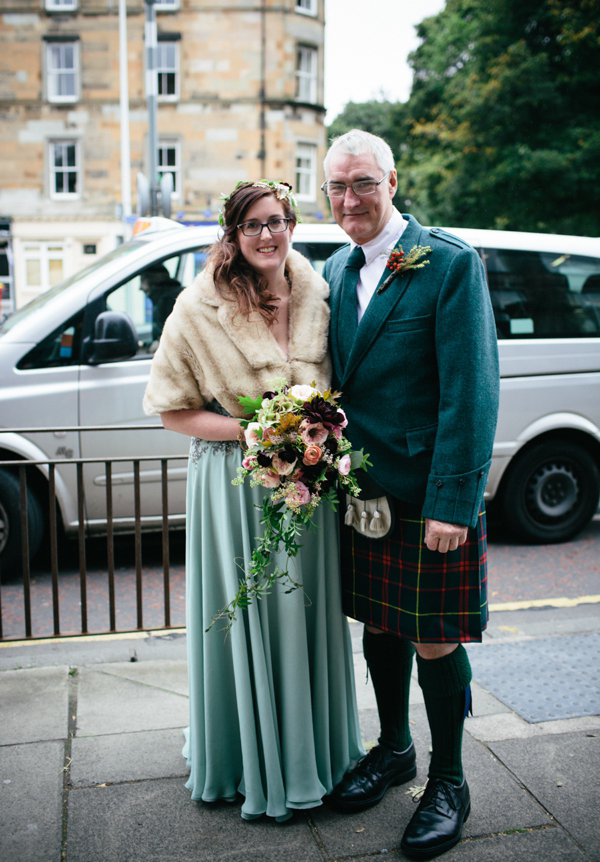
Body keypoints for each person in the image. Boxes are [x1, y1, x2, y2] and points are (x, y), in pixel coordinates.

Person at [143, 179, 364, 822]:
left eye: (278, 221)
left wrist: (315, 432)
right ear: (232, 237)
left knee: (304, 617)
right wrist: (258, 432)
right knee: (251, 615)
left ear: (291, 224)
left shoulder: (320, 293)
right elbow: (172, 412)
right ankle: (247, 758)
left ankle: (312, 756)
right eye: (253, 226)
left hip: (307, 486)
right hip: (234, 483)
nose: (268, 235)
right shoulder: (198, 307)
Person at [321, 130, 499, 858]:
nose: (349, 199)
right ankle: (394, 749)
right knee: (381, 625)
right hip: (364, 492)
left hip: (429, 496)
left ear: (392, 180)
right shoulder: (332, 268)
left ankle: (448, 779)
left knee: (434, 635)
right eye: (336, 187)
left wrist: (455, 503)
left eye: (362, 183)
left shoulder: (448, 264)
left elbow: (472, 390)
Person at [139, 263, 183, 350]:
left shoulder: (167, 302)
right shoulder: (167, 299)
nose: (140, 287)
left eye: (142, 281)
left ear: (154, 281)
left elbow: (164, 344)